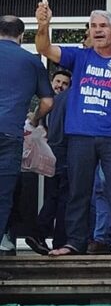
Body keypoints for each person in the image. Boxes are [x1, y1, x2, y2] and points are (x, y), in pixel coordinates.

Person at [35, 4, 111, 258]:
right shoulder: (79, 57)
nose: (97, 31)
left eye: (103, 26)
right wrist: (43, 25)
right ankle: (74, 243)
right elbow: (43, 48)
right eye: (93, 27)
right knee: (77, 192)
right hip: (80, 137)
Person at [0, 16, 52, 276]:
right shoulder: (31, 61)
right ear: (21, 35)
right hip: (9, 133)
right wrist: (32, 119)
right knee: (2, 198)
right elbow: (47, 102)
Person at [27, 69, 72, 255]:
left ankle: (43, 234)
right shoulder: (49, 105)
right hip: (56, 154)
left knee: (57, 196)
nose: (60, 85)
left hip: (60, 152)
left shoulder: (63, 104)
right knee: (60, 196)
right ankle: (52, 237)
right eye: (57, 81)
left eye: (64, 83)